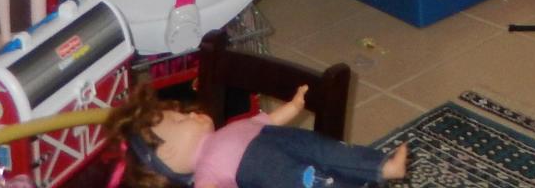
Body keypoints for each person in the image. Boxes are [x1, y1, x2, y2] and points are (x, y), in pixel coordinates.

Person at [105, 81, 408, 188]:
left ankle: (383, 166)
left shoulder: (228, 131)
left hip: (299, 142)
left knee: (334, 153)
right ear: (167, 153)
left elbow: (268, 119)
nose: (192, 113)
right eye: (181, 119)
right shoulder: (206, 173)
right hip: (286, 176)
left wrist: (293, 105)